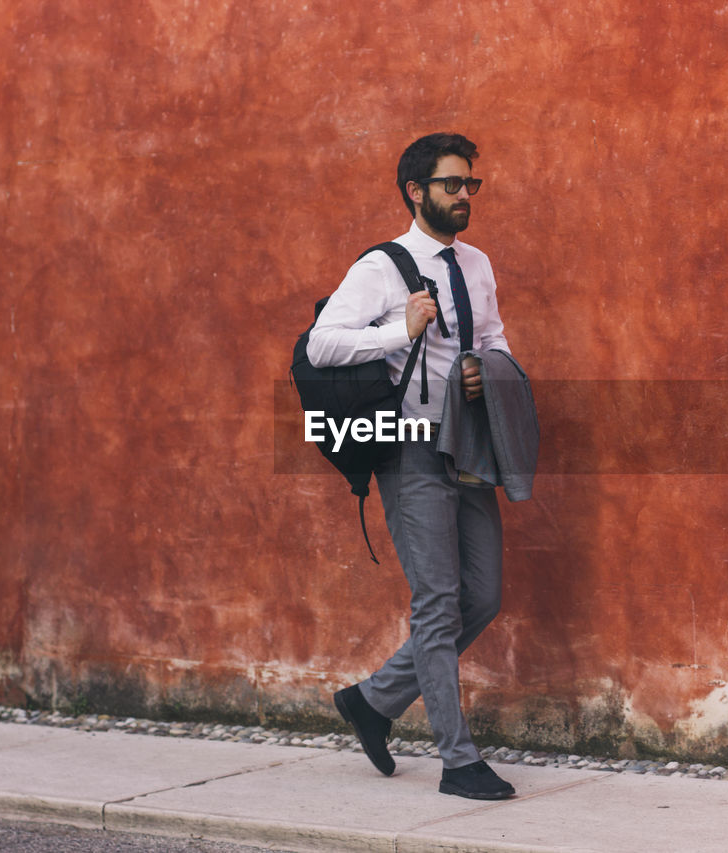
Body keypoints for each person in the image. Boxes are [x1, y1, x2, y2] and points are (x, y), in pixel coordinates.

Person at [306, 132, 516, 800]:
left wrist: (490, 367)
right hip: (409, 449)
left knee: (481, 595)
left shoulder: (477, 264)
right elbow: (322, 345)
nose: (464, 196)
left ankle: (372, 701)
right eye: (452, 184)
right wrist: (400, 330)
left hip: (469, 445)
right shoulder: (381, 268)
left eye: (470, 185)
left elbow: (492, 335)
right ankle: (458, 760)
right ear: (415, 191)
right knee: (438, 600)